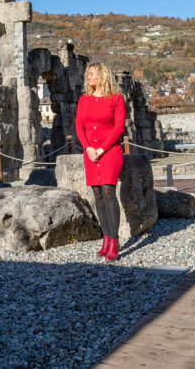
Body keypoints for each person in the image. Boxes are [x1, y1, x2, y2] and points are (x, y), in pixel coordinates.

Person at [75, 62, 127, 261]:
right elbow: (79, 125)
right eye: (87, 75)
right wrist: (87, 147)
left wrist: (101, 149)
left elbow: (119, 128)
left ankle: (114, 240)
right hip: (90, 152)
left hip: (110, 151)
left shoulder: (116, 99)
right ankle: (105, 239)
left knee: (108, 191)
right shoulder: (84, 100)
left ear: (103, 76)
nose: (89, 78)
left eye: (92, 74)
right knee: (97, 194)